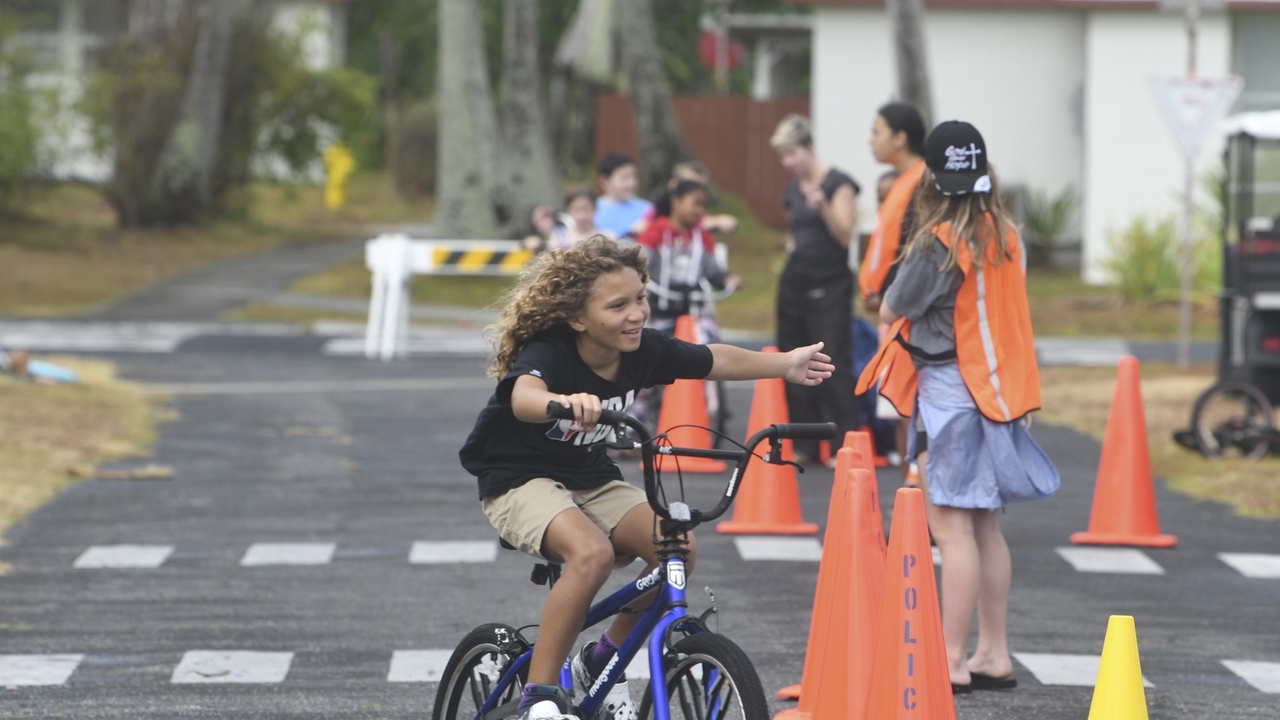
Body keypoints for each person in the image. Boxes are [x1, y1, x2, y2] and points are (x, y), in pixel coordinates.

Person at [459, 236, 835, 720]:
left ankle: (601, 659)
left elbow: (713, 359)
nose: (636, 313)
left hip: (590, 477)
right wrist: (564, 402)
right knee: (590, 554)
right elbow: (522, 396)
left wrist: (784, 365)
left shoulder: (643, 350)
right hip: (517, 479)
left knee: (677, 549)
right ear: (579, 318)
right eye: (618, 305)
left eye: (640, 298)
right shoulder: (551, 352)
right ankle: (540, 697)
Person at [857, 120, 1060, 693]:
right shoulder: (1005, 235)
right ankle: (992, 652)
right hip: (999, 391)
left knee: (950, 527)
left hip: (951, 389)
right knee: (983, 525)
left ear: (932, 178)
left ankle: (948, 659)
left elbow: (890, 308)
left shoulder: (939, 240)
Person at [769, 113, 862, 466]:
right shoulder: (793, 189)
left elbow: (844, 235)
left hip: (831, 279)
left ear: (809, 147)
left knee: (832, 356)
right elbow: (799, 229)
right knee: (793, 355)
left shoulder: (838, 184)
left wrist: (823, 205)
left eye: (792, 154)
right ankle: (805, 442)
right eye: (782, 156)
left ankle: (843, 442)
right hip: (797, 277)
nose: (788, 163)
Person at [863, 103, 928, 470]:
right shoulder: (903, 182)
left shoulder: (920, 186)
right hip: (892, 310)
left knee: (910, 403)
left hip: (908, 316)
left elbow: (917, 254)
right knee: (901, 405)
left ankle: (918, 493)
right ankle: (912, 488)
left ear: (901, 138)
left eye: (877, 131)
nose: (870, 139)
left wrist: (893, 297)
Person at [634, 179, 740, 335]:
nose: (700, 210)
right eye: (695, 204)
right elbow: (639, 264)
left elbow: (712, 270)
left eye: (703, 205)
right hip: (660, 312)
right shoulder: (656, 231)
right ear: (676, 202)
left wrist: (726, 279)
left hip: (695, 311)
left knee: (709, 341)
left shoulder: (702, 235)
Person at [524, 187, 613, 254]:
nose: (582, 215)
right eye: (576, 209)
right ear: (568, 211)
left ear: (595, 209)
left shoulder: (607, 237)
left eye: (586, 209)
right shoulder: (558, 237)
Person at [593, 152, 653, 238]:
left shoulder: (648, 209)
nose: (631, 183)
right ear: (604, 181)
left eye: (634, 176)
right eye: (624, 177)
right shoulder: (593, 211)